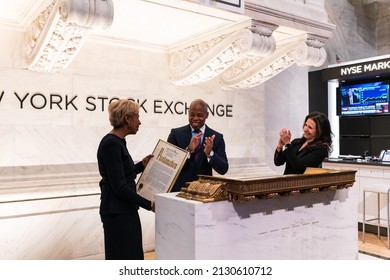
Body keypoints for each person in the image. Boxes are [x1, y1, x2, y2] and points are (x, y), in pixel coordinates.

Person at [97, 99, 155, 260]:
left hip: (123, 210)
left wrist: (141, 166)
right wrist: (149, 205)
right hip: (117, 213)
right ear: (127, 119)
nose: (140, 122)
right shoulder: (111, 144)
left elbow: (121, 174)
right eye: (137, 116)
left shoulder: (118, 142)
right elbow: (120, 187)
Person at [167, 99, 229, 192]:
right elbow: (168, 163)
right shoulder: (175, 134)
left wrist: (210, 153)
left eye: (199, 115)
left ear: (206, 115)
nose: (195, 118)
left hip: (205, 192)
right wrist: (188, 150)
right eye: (192, 115)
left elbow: (223, 169)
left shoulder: (217, 137)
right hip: (179, 191)